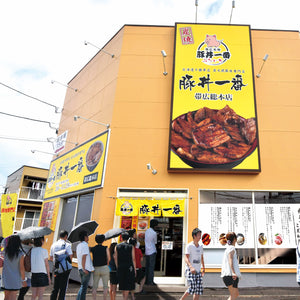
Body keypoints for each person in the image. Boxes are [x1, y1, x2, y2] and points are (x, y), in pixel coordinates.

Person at [180, 228, 205, 300]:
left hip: (198, 270)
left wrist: (203, 268)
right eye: (198, 235)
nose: (200, 237)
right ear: (194, 236)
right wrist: (191, 267)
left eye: (200, 235)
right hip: (190, 270)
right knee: (192, 287)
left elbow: (202, 257)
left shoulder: (200, 247)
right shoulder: (189, 246)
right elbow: (186, 258)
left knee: (198, 289)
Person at [2, 235, 27, 300]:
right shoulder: (20, 254)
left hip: (6, 277)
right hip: (16, 278)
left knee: (6, 297)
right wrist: (23, 280)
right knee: (13, 297)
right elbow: (21, 268)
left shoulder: (5, 252)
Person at [50, 230, 73, 300]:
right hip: (64, 269)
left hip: (56, 268)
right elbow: (71, 257)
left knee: (55, 287)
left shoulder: (53, 245)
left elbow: (51, 257)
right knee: (63, 288)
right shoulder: (67, 245)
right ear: (66, 236)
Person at [114, 232, 136, 300]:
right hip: (129, 267)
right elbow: (133, 259)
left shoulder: (117, 246)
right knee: (127, 284)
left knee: (122, 284)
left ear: (121, 238)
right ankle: (125, 298)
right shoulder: (131, 246)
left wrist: (117, 266)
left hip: (120, 267)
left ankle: (124, 298)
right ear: (128, 238)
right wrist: (135, 269)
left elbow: (115, 257)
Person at [221, 232, 241, 300]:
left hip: (228, 275)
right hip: (230, 275)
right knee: (233, 295)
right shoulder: (232, 248)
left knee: (235, 294)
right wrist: (233, 272)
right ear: (235, 239)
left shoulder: (228, 248)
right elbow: (230, 259)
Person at [90, 234, 110, 300]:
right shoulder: (106, 248)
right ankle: (104, 299)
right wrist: (106, 263)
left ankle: (94, 299)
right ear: (103, 240)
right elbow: (109, 258)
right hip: (104, 267)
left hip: (96, 268)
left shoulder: (93, 249)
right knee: (105, 286)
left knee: (95, 286)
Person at [76, 231, 94, 300]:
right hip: (85, 269)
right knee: (84, 288)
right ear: (85, 237)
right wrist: (84, 269)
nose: (88, 237)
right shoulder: (85, 245)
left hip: (80, 268)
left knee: (82, 286)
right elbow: (84, 257)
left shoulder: (78, 245)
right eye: (87, 236)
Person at [144, 219, 158, 285]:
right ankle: (150, 281)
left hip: (147, 250)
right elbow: (155, 242)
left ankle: (146, 280)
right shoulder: (154, 233)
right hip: (152, 250)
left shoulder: (146, 231)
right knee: (151, 267)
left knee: (147, 266)